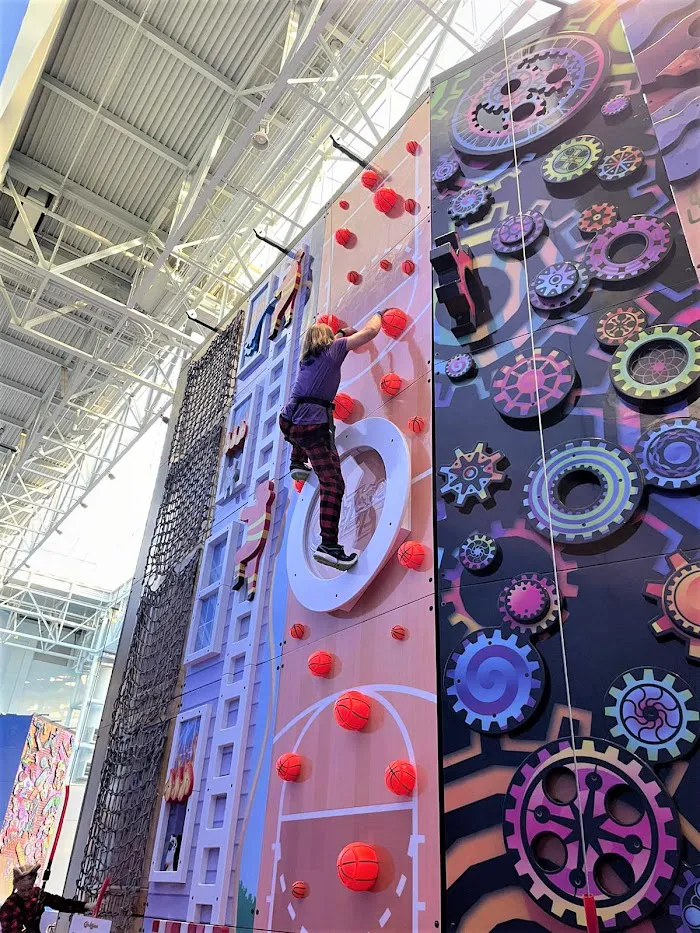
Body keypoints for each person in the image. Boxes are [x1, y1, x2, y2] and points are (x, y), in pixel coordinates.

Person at [279, 311, 384, 570]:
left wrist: (341, 332)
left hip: (290, 424)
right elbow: (370, 332)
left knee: (303, 439)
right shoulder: (332, 351)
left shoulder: (308, 360)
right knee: (333, 484)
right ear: (328, 340)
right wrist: (379, 314)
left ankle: (297, 464)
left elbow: (338, 337)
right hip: (312, 426)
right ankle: (328, 546)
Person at [0, 864, 94, 933]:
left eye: (29, 889)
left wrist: (86, 906)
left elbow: (60, 903)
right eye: (22, 890)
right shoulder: (9, 907)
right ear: (16, 887)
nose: (26, 893)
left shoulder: (38, 895)